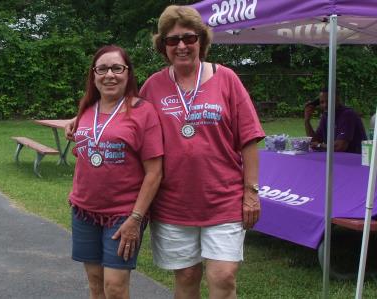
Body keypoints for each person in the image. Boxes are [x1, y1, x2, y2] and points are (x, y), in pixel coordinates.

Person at [66, 6, 264, 298]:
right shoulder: (154, 86)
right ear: (163, 46)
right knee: (185, 276)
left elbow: (249, 138)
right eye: (173, 40)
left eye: (189, 38)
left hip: (222, 198)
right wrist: (80, 119)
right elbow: (119, 114)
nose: (182, 46)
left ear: (201, 40)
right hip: (173, 204)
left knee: (223, 278)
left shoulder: (227, 79)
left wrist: (251, 193)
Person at [68, 45, 163, 299]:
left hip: (124, 214)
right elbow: (86, 148)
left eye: (117, 68)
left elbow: (154, 172)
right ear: (94, 74)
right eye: (102, 68)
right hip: (84, 210)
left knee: (115, 287)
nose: (109, 74)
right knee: (96, 284)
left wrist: (135, 218)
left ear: (127, 73)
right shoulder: (87, 108)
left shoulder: (143, 111)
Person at [304, 87, 367, 153]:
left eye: (328, 101)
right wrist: (307, 121)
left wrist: (319, 145)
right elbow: (314, 141)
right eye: (322, 102)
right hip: (336, 158)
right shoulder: (326, 116)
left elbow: (340, 147)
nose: (325, 105)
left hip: (354, 159)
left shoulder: (348, 114)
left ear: (337, 100)